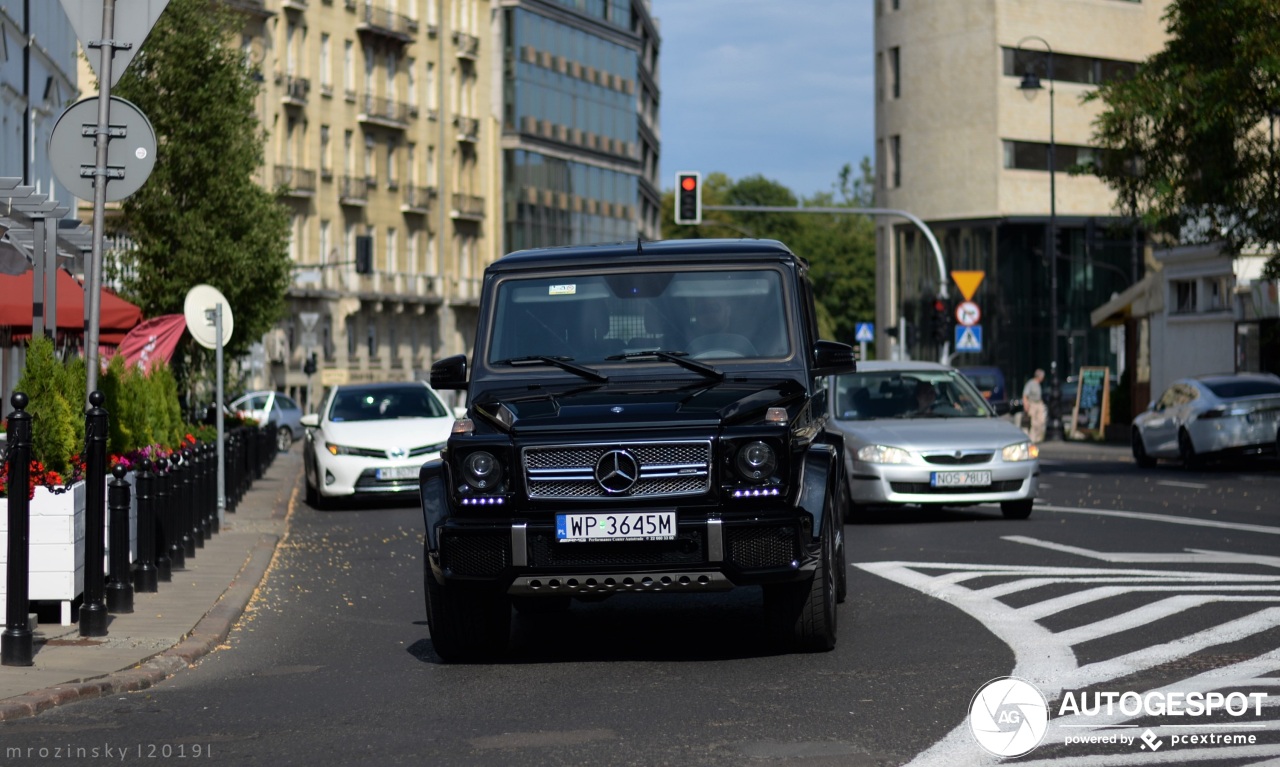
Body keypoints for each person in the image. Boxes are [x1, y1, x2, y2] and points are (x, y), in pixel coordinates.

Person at [1022, 368, 1047, 443]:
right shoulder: (1030, 383)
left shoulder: (1038, 384)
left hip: (1039, 403)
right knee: (1033, 422)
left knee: (1041, 420)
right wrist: (1026, 405)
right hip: (1032, 404)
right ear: (1039, 376)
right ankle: (1033, 438)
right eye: (1042, 376)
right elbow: (1025, 395)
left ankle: (1038, 437)